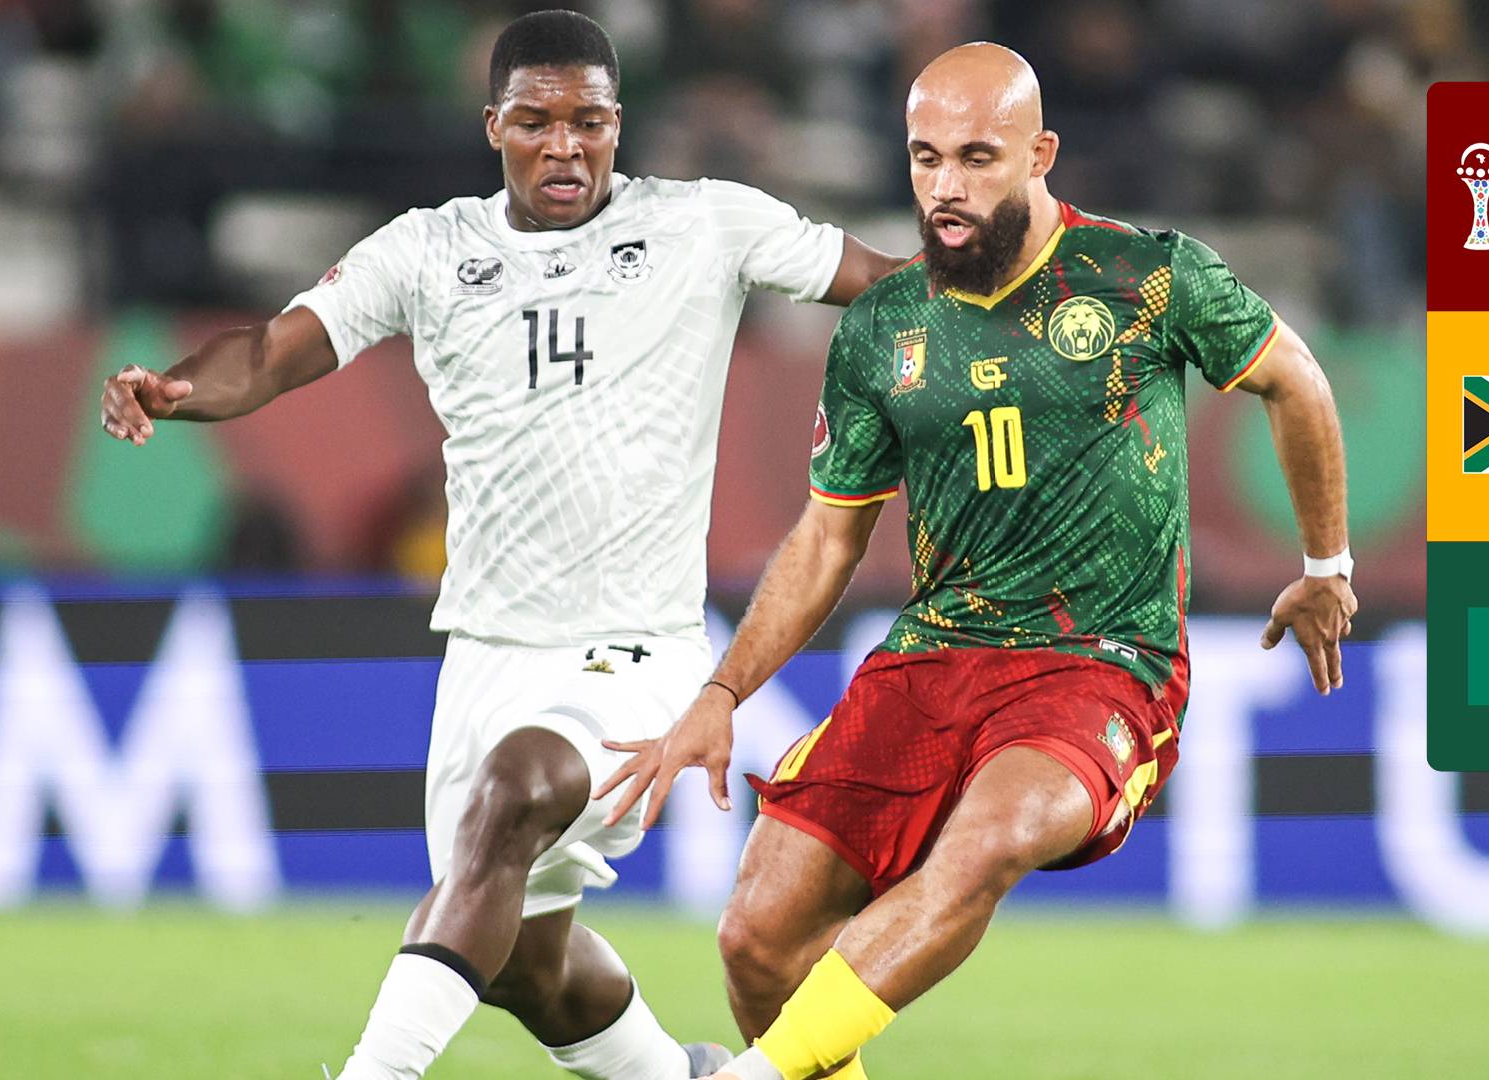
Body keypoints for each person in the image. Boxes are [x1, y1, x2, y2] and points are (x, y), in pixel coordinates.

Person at [97, 11, 900, 1079]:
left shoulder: (705, 225)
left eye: (589, 122)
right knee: (523, 958)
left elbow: (890, 283)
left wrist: (1025, 294)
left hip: (636, 649)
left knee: (518, 792)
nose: (564, 147)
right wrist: (179, 387)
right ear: (493, 127)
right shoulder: (429, 250)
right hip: (484, 651)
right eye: (535, 122)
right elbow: (274, 351)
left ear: (620, 124)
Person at [597, 42, 1357, 1080]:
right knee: (758, 939)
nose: (945, 187)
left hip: (1101, 663)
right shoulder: (883, 326)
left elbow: (1297, 381)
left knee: (987, 842)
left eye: (976, 158)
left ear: (1040, 154)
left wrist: (1327, 564)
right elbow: (828, 537)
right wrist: (723, 691)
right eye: (925, 159)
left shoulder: (1145, 277)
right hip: (936, 654)